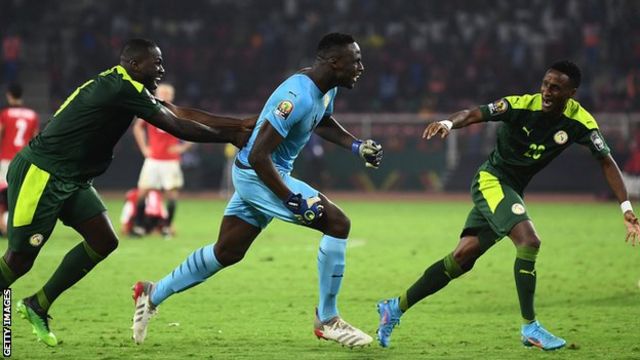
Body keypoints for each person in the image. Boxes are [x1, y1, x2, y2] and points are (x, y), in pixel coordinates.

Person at [131, 33, 382, 348]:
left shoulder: (325, 89)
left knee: (227, 251)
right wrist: (289, 198)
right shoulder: (296, 95)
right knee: (338, 223)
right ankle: (328, 319)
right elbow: (257, 156)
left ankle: (152, 293)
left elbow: (323, 121)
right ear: (334, 62)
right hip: (257, 174)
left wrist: (356, 146)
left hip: (268, 174)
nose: (361, 67)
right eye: (355, 60)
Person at [0, 38, 255, 347]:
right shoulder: (122, 88)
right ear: (135, 65)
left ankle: (37, 304)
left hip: (72, 178)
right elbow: (177, 126)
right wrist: (231, 137)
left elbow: (177, 111)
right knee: (19, 261)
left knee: (103, 240)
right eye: (156, 62)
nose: (161, 68)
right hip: (43, 174)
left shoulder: (127, 86)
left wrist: (238, 126)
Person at [376, 61, 640, 350]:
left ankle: (394, 307)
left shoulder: (581, 122)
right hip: (491, 181)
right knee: (529, 241)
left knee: (461, 259)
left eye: (556, 88)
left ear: (571, 93)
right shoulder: (520, 105)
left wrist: (626, 208)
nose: (547, 92)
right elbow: (476, 113)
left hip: (511, 189)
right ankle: (530, 327)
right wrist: (449, 123)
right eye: (545, 84)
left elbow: (606, 161)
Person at [132, 83, 192, 238]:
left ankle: (166, 227)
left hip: (171, 161)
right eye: (162, 92)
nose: (164, 95)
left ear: (172, 96)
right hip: (153, 159)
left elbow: (193, 128)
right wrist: (144, 148)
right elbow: (137, 127)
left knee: (171, 194)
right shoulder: (150, 110)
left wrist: (183, 148)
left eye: (167, 93)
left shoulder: (176, 112)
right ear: (157, 93)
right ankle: (139, 227)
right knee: (142, 191)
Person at [0, 83, 39, 235]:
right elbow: (35, 140)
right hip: (24, 160)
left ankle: (3, 226)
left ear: (9, 95)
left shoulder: (5, 114)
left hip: (6, 160)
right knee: (22, 195)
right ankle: (22, 228)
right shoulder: (32, 115)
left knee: (3, 194)